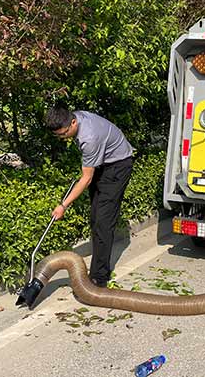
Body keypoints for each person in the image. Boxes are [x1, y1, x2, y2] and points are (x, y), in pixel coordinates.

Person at [45, 105, 135, 287]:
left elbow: (86, 179)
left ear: (72, 122)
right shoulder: (76, 118)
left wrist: (63, 205)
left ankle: (99, 278)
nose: (62, 138)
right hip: (104, 164)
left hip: (118, 167)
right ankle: (98, 264)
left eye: (63, 134)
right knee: (95, 217)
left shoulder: (89, 138)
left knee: (103, 221)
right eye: (58, 135)